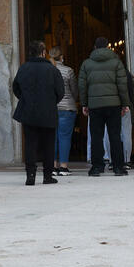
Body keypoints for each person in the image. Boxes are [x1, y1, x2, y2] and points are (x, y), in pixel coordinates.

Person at [13, 40, 63, 185]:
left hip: (29, 111)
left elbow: (16, 87)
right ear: (43, 52)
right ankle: (48, 176)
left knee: (30, 144)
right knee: (49, 144)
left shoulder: (23, 68)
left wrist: (25, 99)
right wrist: (50, 102)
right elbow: (60, 92)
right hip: (48, 111)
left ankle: (30, 176)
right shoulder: (53, 70)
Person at [79, 37, 130, 176]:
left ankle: (97, 167)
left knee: (96, 137)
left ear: (95, 47)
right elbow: (122, 86)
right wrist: (125, 104)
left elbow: (82, 86)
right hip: (114, 105)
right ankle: (118, 167)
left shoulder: (86, 64)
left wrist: (84, 104)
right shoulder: (116, 63)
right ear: (108, 47)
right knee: (115, 136)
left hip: (95, 106)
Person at [49, 47, 78, 176]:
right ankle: (64, 167)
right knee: (65, 137)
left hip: (51, 108)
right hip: (67, 108)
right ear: (61, 57)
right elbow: (74, 90)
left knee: (52, 138)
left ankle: (53, 166)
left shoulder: (48, 71)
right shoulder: (68, 71)